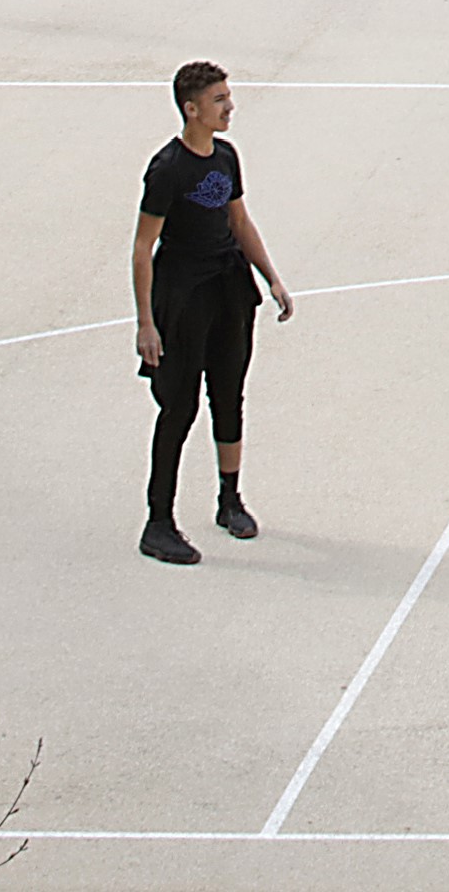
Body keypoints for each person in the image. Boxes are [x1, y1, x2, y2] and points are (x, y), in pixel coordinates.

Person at [130, 60, 295, 564]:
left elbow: (238, 220)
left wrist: (271, 276)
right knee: (179, 407)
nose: (230, 106)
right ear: (192, 108)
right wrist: (146, 323)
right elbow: (142, 248)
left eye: (229, 96)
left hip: (228, 288)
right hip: (183, 295)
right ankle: (158, 523)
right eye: (220, 99)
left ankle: (230, 500)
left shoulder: (225, 156)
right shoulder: (167, 170)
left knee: (228, 394)